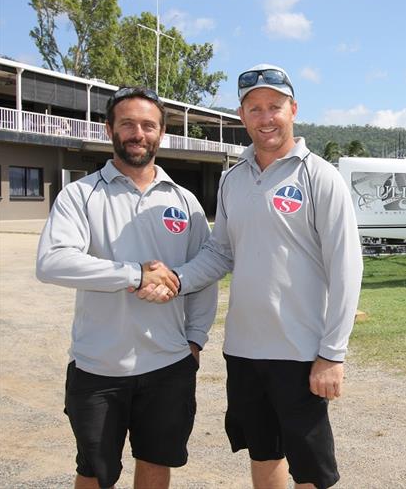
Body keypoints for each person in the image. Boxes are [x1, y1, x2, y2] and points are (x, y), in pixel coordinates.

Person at [138, 63, 363, 489]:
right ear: (242, 115)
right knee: (263, 453)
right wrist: (177, 279)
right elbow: (220, 251)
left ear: (293, 109)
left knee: (311, 471)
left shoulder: (320, 177)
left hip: (301, 353)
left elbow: (347, 268)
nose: (265, 118)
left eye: (274, 106)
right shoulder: (232, 179)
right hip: (243, 351)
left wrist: (332, 354)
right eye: (254, 108)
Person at [36, 86, 218, 489]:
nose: (139, 133)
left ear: (161, 133)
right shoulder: (80, 195)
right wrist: (134, 274)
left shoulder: (185, 201)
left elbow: (202, 276)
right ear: (109, 130)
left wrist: (195, 341)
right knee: (95, 473)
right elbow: (52, 262)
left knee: (156, 464)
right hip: (99, 366)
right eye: (128, 124)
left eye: (148, 125)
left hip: (169, 365)